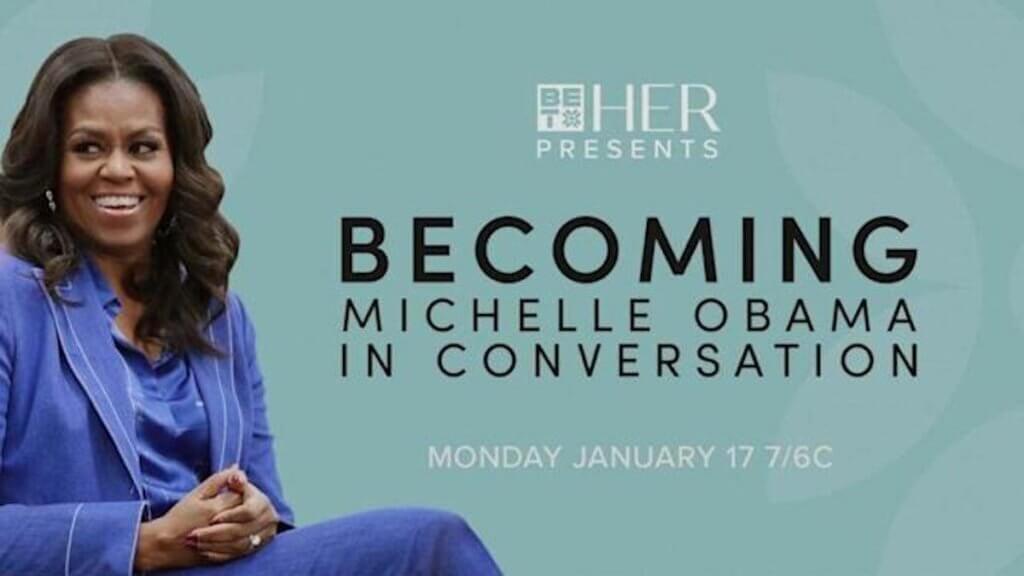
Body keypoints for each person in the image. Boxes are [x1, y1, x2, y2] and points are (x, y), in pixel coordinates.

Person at [0, 34, 501, 575]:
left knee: (432, 544)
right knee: (430, 543)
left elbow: (274, 518)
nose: (118, 170)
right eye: (88, 148)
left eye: (143, 147)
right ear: (51, 167)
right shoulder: (13, 299)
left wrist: (258, 519)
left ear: (176, 167)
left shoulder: (218, 316)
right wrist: (141, 544)